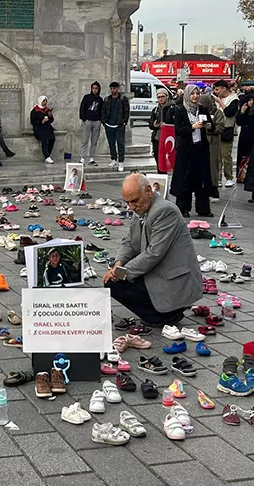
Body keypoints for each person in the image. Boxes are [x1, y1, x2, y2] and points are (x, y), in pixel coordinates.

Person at [103, 173, 203, 326]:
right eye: (127, 202)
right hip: (157, 271)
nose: (131, 207)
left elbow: (154, 253)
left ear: (148, 191)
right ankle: (160, 312)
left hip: (173, 279)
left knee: (117, 281)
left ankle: (166, 315)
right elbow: (130, 242)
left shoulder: (164, 211)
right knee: (112, 282)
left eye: (134, 201)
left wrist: (122, 272)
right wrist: (118, 263)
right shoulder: (142, 209)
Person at [169, 86, 214, 217]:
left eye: (197, 93)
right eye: (192, 94)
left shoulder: (203, 109)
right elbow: (177, 129)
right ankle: (183, 208)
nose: (195, 96)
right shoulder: (180, 110)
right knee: (185, 179)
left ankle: (203, 208)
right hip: (186, 150)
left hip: (200, 148)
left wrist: (209, 126)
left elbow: (211, 125)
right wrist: (192, 127)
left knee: (202, 179)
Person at [199, 92, 226, 198]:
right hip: (201, 143)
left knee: (213, 166)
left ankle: (214, 189)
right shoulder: (199, 112)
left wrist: (210, 128)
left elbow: (220, 128)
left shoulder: (217, 113)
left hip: (212, 143)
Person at [215, 80, 241, 186]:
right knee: (217, 156)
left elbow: (229, 112)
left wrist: (220, 102)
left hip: (227, 129)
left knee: (226, 155)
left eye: (217, 89)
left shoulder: (234, 99)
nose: (216, 92)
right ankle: (218, 178)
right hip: (216, 129)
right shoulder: (216, 100)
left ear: (224, 88)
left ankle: (229, 177)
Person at [102, 82, 128, 171]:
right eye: (111, 88)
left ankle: (121, 161)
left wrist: (124, 122)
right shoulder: (107, 99)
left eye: (114, 88)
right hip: (109, 124)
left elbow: (126, 111)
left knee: (120, 144)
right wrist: (104, 122)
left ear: (118, 89)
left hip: (119, 125)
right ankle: (113, 159)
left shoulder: (123, 99)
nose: (113, 90)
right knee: (111, 144)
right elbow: (103, 111)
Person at [148, 89, 174, 173]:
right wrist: (155, 125)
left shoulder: (173, 108)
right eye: (158, 97)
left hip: (169, 139)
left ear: (167, 97)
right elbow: (151, 124)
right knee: (159, 161)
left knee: (172, 161)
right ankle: (162, 178)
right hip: (158, 138)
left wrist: (167, 124)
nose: (161, 99)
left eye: (162, 96)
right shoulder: (155, 109)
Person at [79, 81, 103, 166]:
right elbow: (82, 108)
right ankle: (82, 158)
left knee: (94, 141)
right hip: (88, 121)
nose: (94, 90)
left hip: (96, 121)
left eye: (96, 88)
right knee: (85, 140)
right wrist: (84, 119)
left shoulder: (100, 99)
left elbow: (101, 110)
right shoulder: (87, 97)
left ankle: (92, 158)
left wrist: (100, 120)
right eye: (93, 88)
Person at [30, 95, 56, 164]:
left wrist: (50, 116)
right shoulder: (35, 110)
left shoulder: (47, 110)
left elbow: (51, 120)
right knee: (45, 138)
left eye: (46, 101)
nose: (45, 102)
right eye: (43, 101)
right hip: (39, 128)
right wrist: (41, 121)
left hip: (47, 128)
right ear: (40, 101)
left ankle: (48, 154)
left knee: (52, 138)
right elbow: (33, 121)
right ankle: (47, 156)